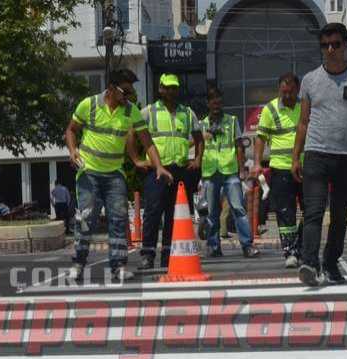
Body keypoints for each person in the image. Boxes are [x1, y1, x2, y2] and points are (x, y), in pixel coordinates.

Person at [65, 68, 172, 281]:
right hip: (89, 173)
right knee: (86, 219)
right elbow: (71, 130)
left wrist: (158, 165)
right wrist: (73, 150)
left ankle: (119, 266)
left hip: (115, 174)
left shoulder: (130, 110)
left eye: (131, 92)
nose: (129, 97)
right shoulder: (90, 105)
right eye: (126, 92)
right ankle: (78, 263)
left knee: (118, 220)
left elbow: (146, 141)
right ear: (111, 89)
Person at [292, 22, 347, 286]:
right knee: (314, 212)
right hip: (316, 154)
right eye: (325, 45)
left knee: (340, 215)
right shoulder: (309, 80)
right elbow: (303, 122)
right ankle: (309, 263)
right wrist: (296, 156)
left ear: (345, 45)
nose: (330, 50)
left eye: (336, 44)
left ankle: (330, 263)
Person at [138, 73, 204, 270]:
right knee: (152, 212)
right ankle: (148, 254)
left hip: (180, 170)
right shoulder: (148, 112)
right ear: (160, 89)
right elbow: (133, 136)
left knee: (173, 215)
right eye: (167, 87)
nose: (171, 91)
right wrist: (137, 160)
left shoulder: (187, 113)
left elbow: (199, 138)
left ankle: (168, 254)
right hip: (157, 170)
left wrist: (198, 159)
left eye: (174, 87)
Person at [254, 73, 305, 269]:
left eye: (291, 92)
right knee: (286, 213)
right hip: (280, 168)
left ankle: (302, 245)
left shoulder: (305, 107)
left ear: (297, 89)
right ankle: (290, 252)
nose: (287, 96)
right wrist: (258, 162)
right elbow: (260, 137)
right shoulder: (270, 109)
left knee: (311, 211)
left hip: (306, 167)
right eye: (283, 92)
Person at [201, 85, 257, 258]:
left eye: (219, 102)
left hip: (230, 171)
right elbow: (196, 147)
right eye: (213, 101)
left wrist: (242, 170)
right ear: (208, 103)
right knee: (212, 212)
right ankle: (213, 246)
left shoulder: (232, 121)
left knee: (238, 208)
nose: (216, 105)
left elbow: (239, 145)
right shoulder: (202, 125)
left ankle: (247, 245)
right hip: (210, 172)